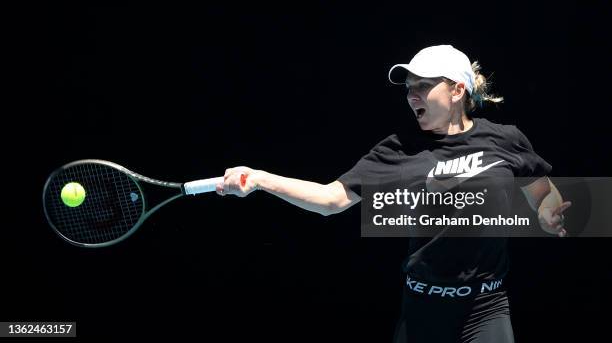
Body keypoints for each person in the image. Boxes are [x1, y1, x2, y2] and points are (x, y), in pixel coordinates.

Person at [216, 44, 571, 342]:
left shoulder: (505, 139)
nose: (411, 96)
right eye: (408, 89)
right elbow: (330, 200)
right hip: (423, 312)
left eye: (423, 86)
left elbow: (541, 190)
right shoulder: (398, 149)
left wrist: (547, 209)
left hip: (486, 309)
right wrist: (260, 178)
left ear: (457, 90)